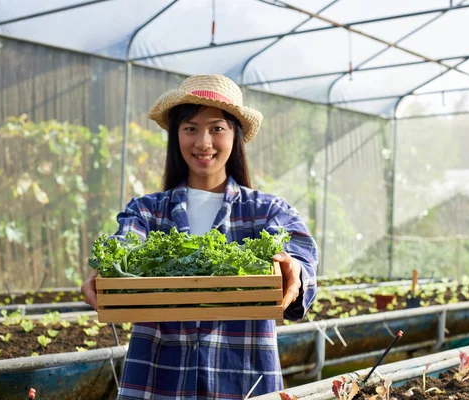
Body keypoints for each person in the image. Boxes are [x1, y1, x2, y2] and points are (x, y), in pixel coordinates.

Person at [80, 74, 318, 399]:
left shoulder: (267, 211)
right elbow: (125, 244)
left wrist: (295, 271)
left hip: (243, 378)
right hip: (158, 379)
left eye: (217, 128)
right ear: (176, 135)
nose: (203, 142)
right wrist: (106, 271)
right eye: (190, 128)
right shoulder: (147, 212)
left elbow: (301, 255)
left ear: (235, 135)